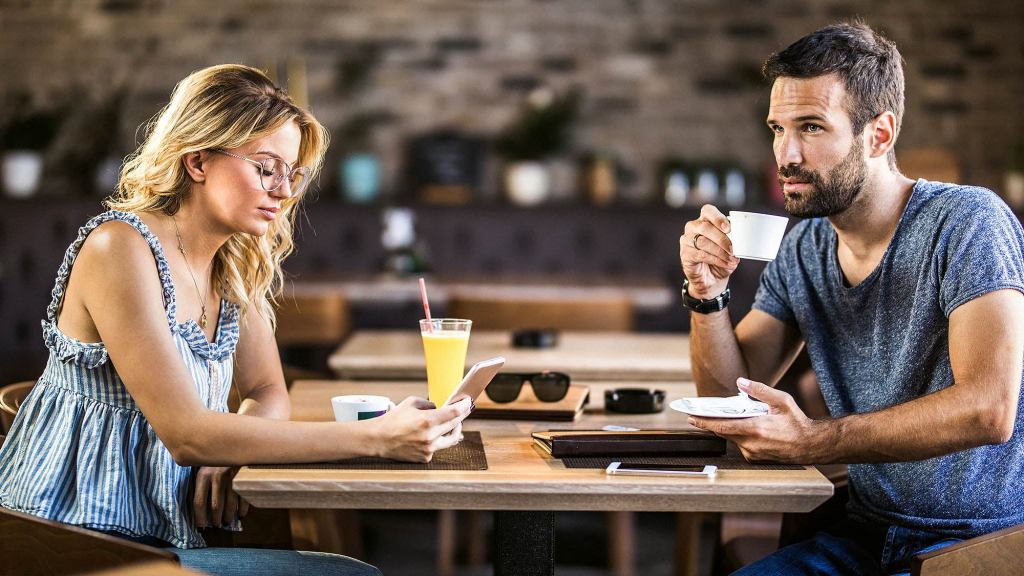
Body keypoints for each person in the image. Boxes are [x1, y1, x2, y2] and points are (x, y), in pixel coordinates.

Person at [0, 64, 472, 576]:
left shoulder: (232, 263)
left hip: (168, 535)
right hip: (72, 541)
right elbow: (186, 435)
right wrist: (379, 436)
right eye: (266, 167)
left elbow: (268, 389)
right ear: (198, 160)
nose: (284, 190)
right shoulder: (119, 247)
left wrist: (233, 442)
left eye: (293, 173)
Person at [678, 22, 1024, 575]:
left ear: (879, 135)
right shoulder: (806, 246)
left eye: (811, 127)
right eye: (777, 128)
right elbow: (726, 395)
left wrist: (816, 440)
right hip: (862, 536)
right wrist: (706, 294)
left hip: (980, 549)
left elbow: (989, 409)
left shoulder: (967, 224)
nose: (785, 154)